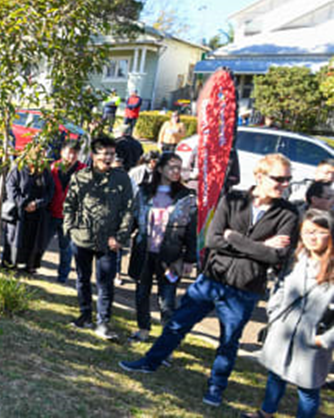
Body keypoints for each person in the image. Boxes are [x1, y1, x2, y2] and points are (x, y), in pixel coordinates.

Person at [121, 154, 300, 408]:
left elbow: (276, 255)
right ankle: (150, 362)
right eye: (279, 178)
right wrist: (257, 246)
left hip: (245, 288)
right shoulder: (233, 199)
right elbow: (214, 239)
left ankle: (216, 387)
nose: (284, 184)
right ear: (260, 176)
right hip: (212, 279)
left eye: (288, 179)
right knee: (177, 324)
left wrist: (234, 238)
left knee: (229, 341)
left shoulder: (288, 213)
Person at [242, 209, 334, 418]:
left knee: (308, 390)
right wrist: (274, 312)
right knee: (276, 375)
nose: (312, 237)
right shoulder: (296, 257)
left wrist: (324, 340)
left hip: (313, 338)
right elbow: (281, 285)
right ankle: (266, 412)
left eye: (319, 232)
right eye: (307, 231)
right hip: (284, 328)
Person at [64, 135, 134, 341]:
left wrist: (120, 237)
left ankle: (103, 322)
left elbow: (128, 210)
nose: (109, 158)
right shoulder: (80, 177)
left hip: (109, 242)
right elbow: (70, 205)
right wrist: (69, 229)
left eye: (112, 154)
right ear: (94, 155)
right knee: (82, 279)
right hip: (82, 238)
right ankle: (85, 315)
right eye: (105, 154)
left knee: (105, 283)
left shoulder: (121, 179)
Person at [127, 152, 197, 343]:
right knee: (142, 292)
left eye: (179, 168)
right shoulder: (143, 191)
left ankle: (167, 340)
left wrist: (190, 258)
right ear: (159, 168)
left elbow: (191, 229)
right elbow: (133, 218)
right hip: (144, 251)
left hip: (170, 255)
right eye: (171, 167)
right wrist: (121, 237)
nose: (176, 171)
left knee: (167, 299)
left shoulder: (187, 196)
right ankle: (143, 329)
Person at [2, 154, 54, 274]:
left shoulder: (45, 172)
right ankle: (10, 265)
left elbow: (50, 191)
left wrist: (37, 204)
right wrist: (24, 203)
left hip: (37, 212)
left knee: (34, 239)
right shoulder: (18, 168)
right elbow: (11, 188)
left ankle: (29, 266)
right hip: (19, 212)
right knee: (14, 238)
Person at [50, 140, 85, 284]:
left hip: (70, 216)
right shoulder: (53, 168)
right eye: (69, 152)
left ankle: (62, 276)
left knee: (66, 248)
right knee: (41, 241)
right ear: (62, 152)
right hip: (52, 211)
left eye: (75, 153)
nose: (72, 156)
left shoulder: (83, 170)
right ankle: (32, 266)